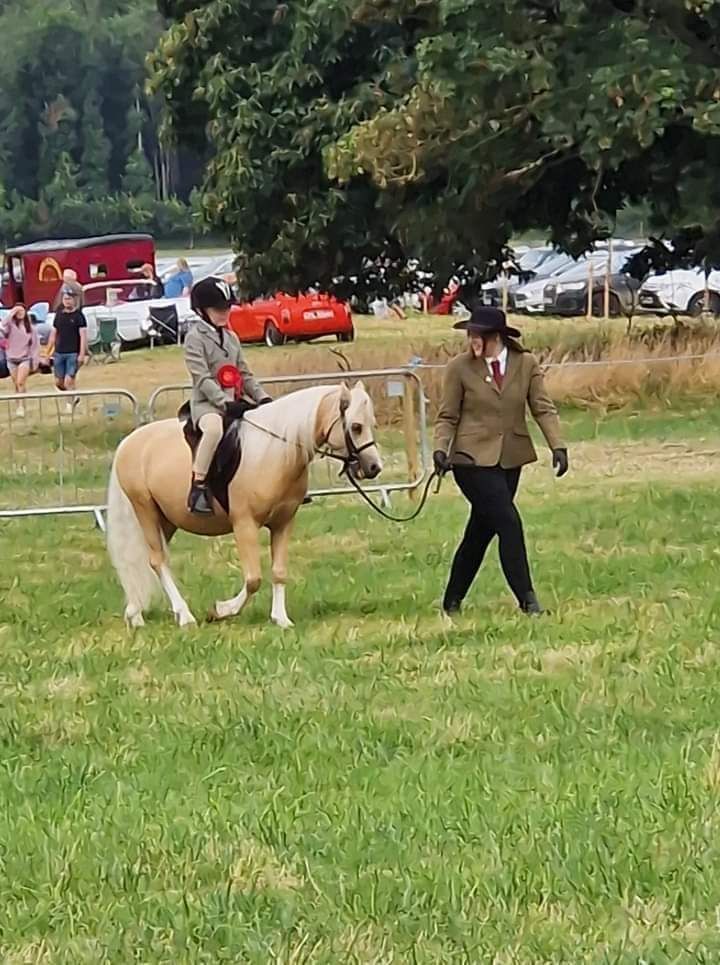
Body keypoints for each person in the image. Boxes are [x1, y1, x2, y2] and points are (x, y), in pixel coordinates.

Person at [433, 306, 568, 617]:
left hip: (510, 458)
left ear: (495, 336)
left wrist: (557, 445)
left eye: (476, 334)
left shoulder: (526, 364)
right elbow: (447, 415)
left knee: (480, 531)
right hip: (470, 461)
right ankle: (528, 601)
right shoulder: (459, 368)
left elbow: (542, 408)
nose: (471, 340)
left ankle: (451, 601)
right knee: (508, 523)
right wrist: (441, 449)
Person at [184, 276, 272, 515]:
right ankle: (198, 486)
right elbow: (201, 378)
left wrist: (263, 398)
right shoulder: (194, 338)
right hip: (207, 405)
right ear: (202, 311)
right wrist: (225, 404)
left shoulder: (231, 338)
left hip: (235, 400)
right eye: (217, 309)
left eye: (226, 308)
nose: (224, 314)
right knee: (214, 430)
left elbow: (244, 372)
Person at [46, 287, 88, 413]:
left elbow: (83, 336)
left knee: (69, 380)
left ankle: (69, 404)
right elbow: (54, 333)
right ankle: (74, 396)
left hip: (72, 353)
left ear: (74, 300)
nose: (67, 301)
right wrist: (47, 352)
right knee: (59, 382)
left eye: (69, 299)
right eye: (65, 299)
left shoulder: (79, 316)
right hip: (59, 352)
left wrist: (82, 354)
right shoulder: (59, 314)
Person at [0, 304, 39, 417]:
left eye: (22, 310)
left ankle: (21, 407)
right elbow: (2, 326)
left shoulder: (30, 328)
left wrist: (35, 360)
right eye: (18, 311)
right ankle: (19, 405)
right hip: (11, 358)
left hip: (24, 358)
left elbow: (35, 345)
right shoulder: (10, 326)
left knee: (20, 382)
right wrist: (11, 313)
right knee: (16, 384)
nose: (20, 313)